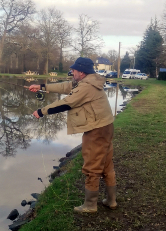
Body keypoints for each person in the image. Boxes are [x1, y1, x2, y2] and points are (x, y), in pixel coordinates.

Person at [26, 57, 116, 214]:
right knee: (107, 164)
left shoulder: (87, 87)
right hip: (105, 126)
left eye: (74, 70)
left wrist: (41, 111)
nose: (72, 72)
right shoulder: (89, 81)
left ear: (81, 72)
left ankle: (90, 205)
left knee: (92, 167)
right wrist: (41, 86)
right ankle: (111, 201)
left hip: (97, 130)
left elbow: (67, 102)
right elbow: (65, 86)